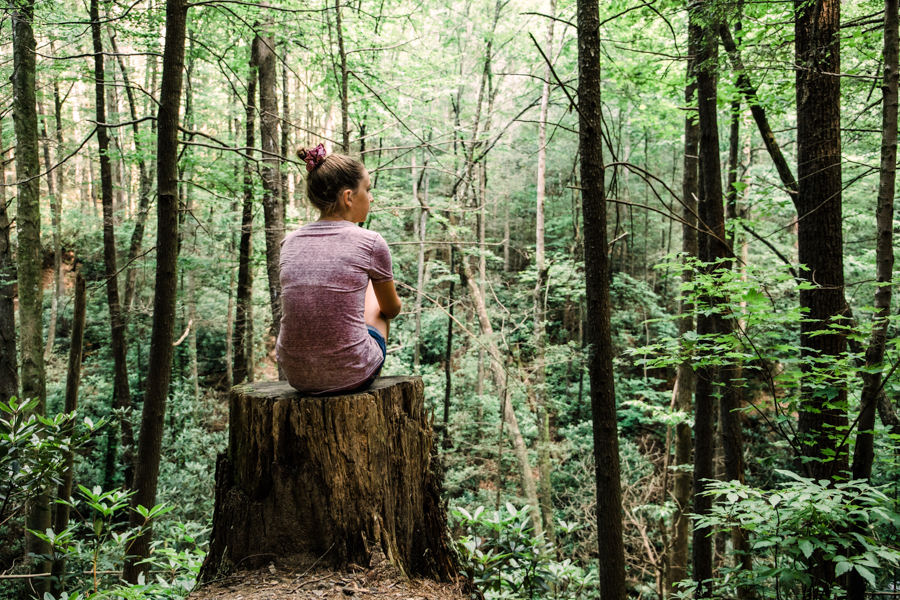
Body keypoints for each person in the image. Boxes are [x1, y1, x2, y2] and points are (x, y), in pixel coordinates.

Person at [276, 144, 402, 394]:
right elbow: (391, 309)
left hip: (296, 375)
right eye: (367, 190)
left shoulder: (289, 242)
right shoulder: (371, 242)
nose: (372, 197)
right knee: (371, 292)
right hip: (352, 373)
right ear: (348, 197)